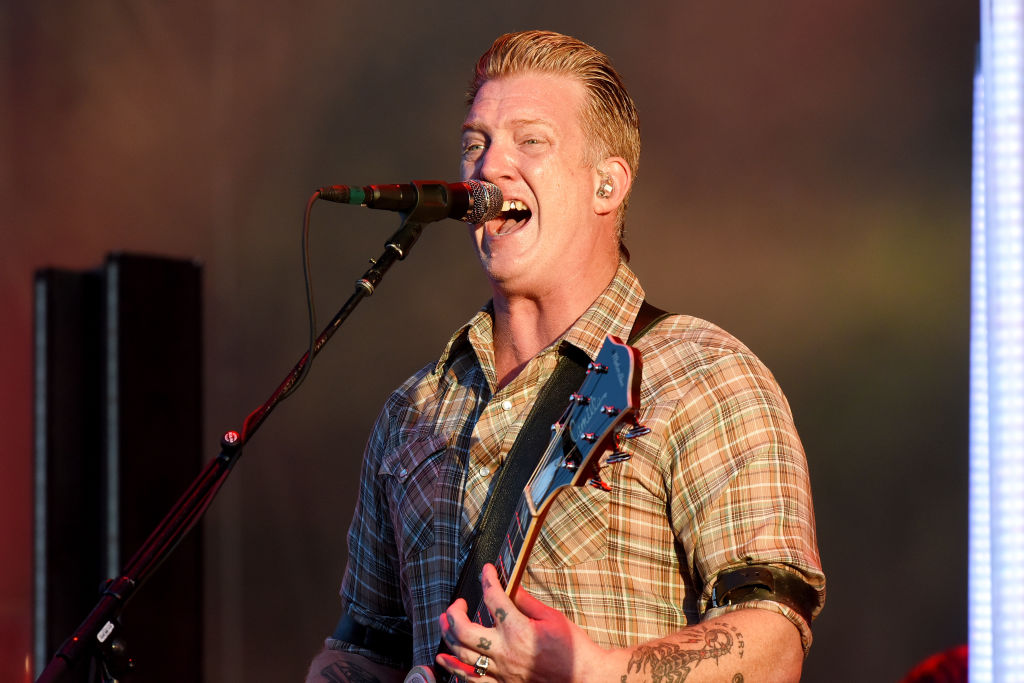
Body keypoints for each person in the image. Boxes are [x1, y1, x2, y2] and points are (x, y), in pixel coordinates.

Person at [307, 30, 825, 683]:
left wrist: (589, 670)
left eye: (531, 141)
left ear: (607, 185)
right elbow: (362, 649)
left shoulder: (704, 377)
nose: (489, 166)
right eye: (475, 143)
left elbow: (775, 643)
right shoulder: (414, 412)